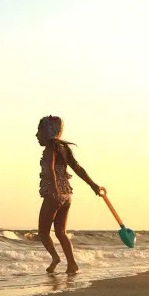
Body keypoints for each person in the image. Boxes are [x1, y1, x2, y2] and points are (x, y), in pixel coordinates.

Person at [36, 116, 100, 274]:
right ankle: (72, 264)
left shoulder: (51, 148)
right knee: (60, 232)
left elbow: (50, 169)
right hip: (67, 195)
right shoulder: (63, 148)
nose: (36, 135)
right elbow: (78, 168)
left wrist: (54, 190)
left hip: (55, 194)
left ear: (49, 132)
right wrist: (93, 185)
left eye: (39, 130)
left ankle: (55, 258)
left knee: (43, 232)